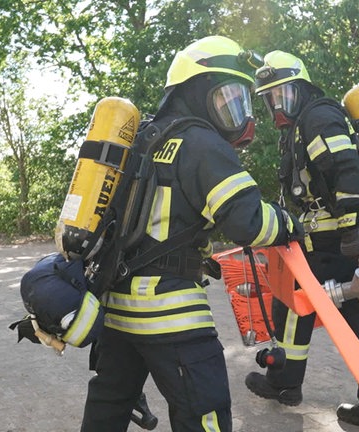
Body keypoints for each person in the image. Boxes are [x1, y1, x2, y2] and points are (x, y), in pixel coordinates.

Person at [80, 36, 303, 432]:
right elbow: (247, 222)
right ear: (198, 91)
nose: (237, 113)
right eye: (226, 98)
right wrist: (288, 223)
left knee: (108, 407)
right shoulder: (201, 143)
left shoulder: (145, 136)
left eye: (239, 100)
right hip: (172, 315)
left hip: (118, 310)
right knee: (206, 413)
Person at [243, 50, 359, 430]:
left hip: (340, 236)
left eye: (282, 94)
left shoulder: (318, 117)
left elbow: (346, 170)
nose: (276, 105)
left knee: (297, 302)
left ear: (301, 89)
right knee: (354, 309)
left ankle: (285, 383)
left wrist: (348, 230)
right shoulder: (303, 123)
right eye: (270, 98)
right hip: (346, 234)